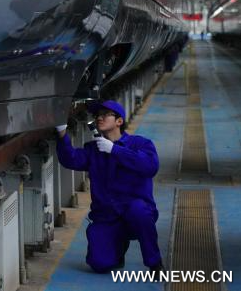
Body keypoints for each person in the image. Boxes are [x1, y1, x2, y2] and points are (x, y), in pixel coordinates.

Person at [55, 99, 163, 273]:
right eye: (98, 115)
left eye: (105, 114)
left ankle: (154, 263)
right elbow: (70, 159)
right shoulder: (95, 150)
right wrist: (61, 132)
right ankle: (117, 250)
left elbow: (151, 167)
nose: (99, 118)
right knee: (99, 263)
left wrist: (115, 150)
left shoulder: (140, 144)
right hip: (107, 216)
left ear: (119, 121)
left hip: (135, 214)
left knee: (138, 210)